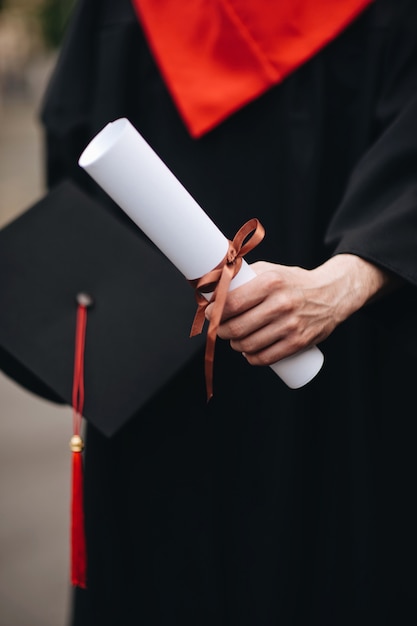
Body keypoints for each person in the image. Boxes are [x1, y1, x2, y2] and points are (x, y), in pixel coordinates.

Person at [6, 0, 417, 624]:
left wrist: (340, 287)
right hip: (331, 384)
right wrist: (348, 278)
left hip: (175, 381)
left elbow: (69, 149)